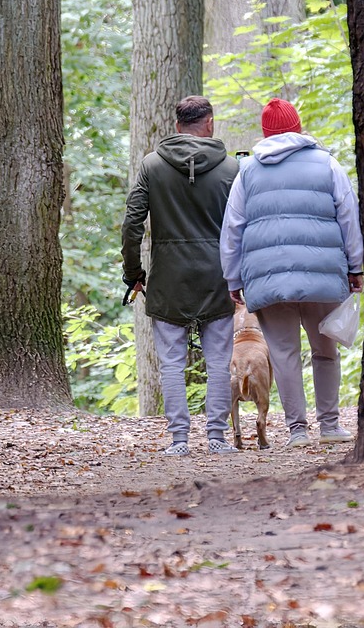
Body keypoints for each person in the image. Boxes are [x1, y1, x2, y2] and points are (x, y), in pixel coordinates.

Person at [219, 98, 364, 449]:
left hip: (267, 278)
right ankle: (329, 425)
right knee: (325, 348)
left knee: (283, 355)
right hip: (323, 275)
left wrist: (233, 277)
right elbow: (349, 216)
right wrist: (356, 266)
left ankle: (297, 430)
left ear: (266, 133)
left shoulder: (248, 172)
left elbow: (232, 228)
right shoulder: (327, 164)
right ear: (298, 128)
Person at [122, 96, 240, 456]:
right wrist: (241, 275)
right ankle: (217, 437)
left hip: (168, 276)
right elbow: (241, 227)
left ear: (177, 126)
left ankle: (179, 440)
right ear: (210, 124)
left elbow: (132, 225)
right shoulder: (232, 168)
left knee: (171, 362)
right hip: (217, 275)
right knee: (219, 360)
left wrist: (134, 274)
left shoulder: (151, 165)